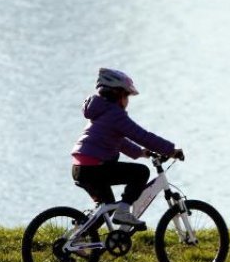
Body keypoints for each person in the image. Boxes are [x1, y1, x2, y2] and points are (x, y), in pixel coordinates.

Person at [71, 68, 183, 226]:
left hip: (81, 168)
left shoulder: (101, 112)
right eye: (126, 96)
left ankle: (80, 235)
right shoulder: (115, 114)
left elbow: (119, 141)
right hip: (94, 168)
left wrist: (141, 152)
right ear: (117, 95)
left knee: (106, 208)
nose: (128, 101)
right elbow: (142, 136)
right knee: (140, 172)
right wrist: (171, 150)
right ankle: (123, 212)